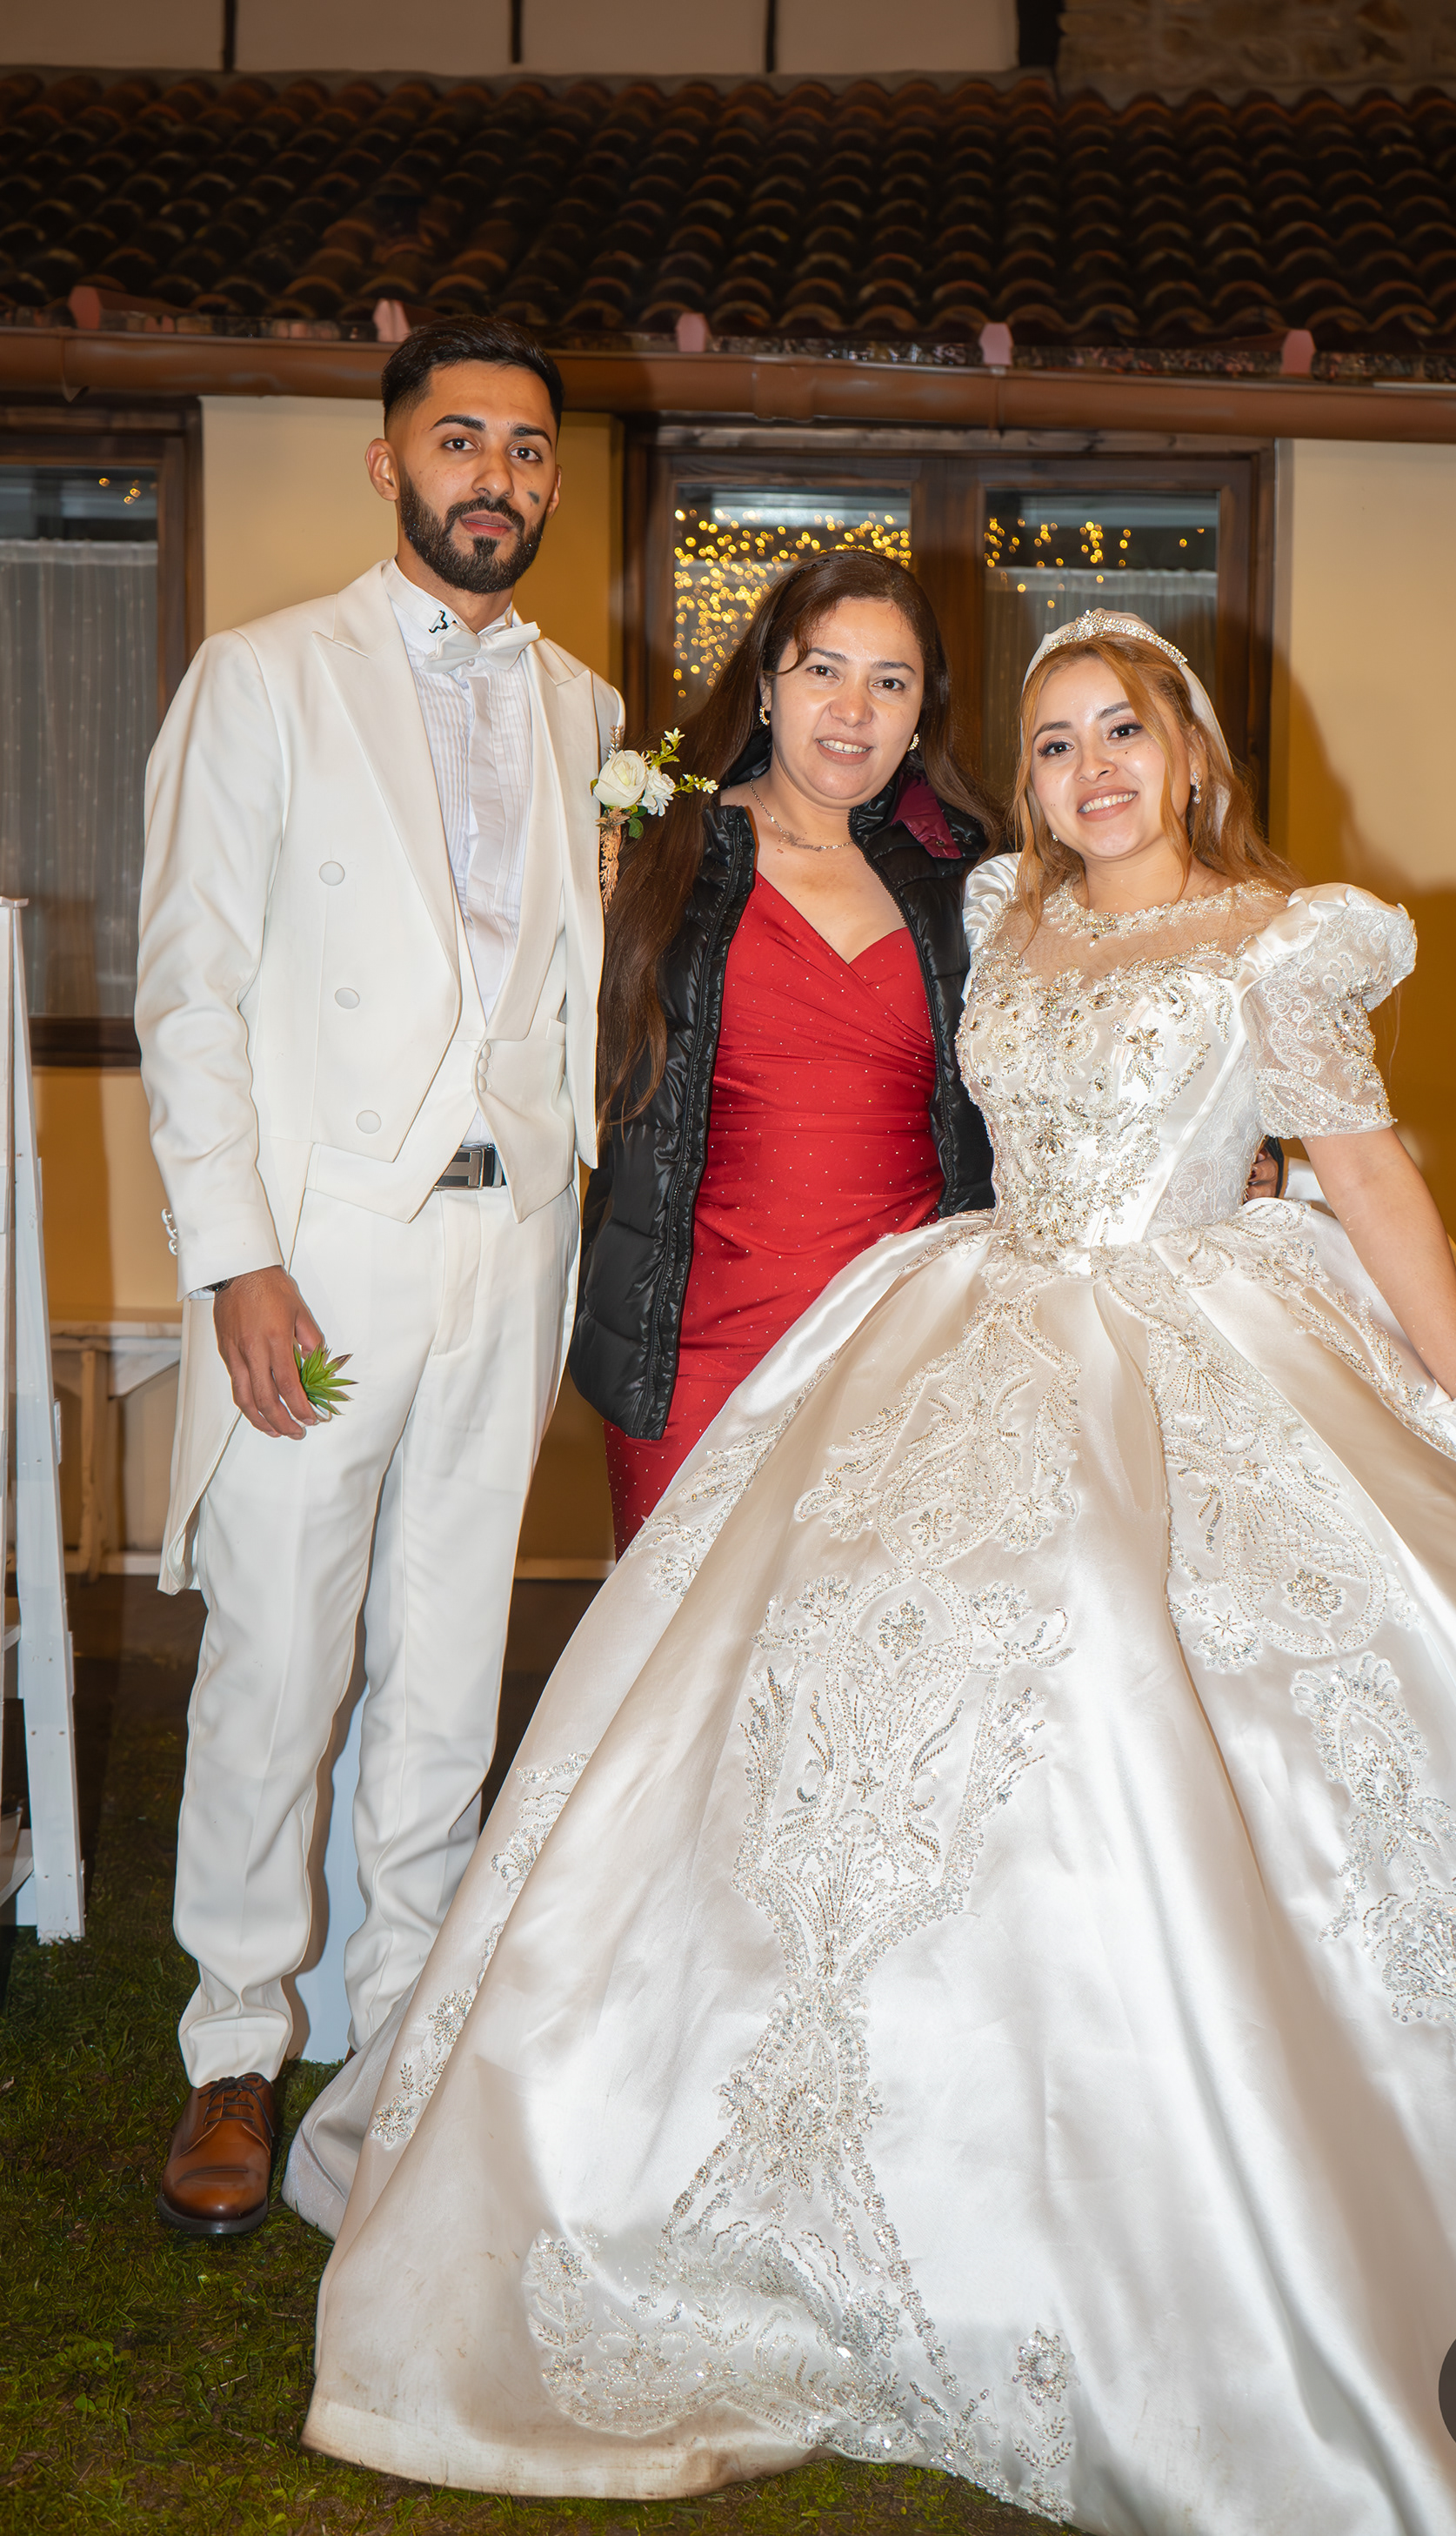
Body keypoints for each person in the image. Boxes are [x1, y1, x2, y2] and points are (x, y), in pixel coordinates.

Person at [302, 613, 1456, 2531]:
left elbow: (1371, 1177)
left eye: (1124, 731)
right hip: (965, 1324)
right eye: (1051, 743)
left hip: (1201, 1352)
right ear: (1018, 782)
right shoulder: (1001, 915)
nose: (1090, 768)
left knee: (1149, 1700)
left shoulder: (1282, 942)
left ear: (1190, 753)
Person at [136, 316, 620, 2239]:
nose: (495, 474)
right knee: (277, 1645)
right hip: (324, 1261)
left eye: (526, 447)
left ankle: (405, 2026)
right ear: (389, 461)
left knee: (447, 1650)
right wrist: (235, 1259)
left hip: (515, 1248)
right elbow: (190, 993)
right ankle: (236, 2040)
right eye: (460, 439)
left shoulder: (587, 712)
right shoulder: (263, 677)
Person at [567, 550, 998, 1549]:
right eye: (823, 670)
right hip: (693, 1352)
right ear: (766, 686)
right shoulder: (653, 850)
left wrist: (1242, 1146)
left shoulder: (971, 877)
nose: (853, 710)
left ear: (922, 712)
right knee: (676, 1640)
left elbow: (1071, 1059)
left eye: (889, 682)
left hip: (904, 1356)